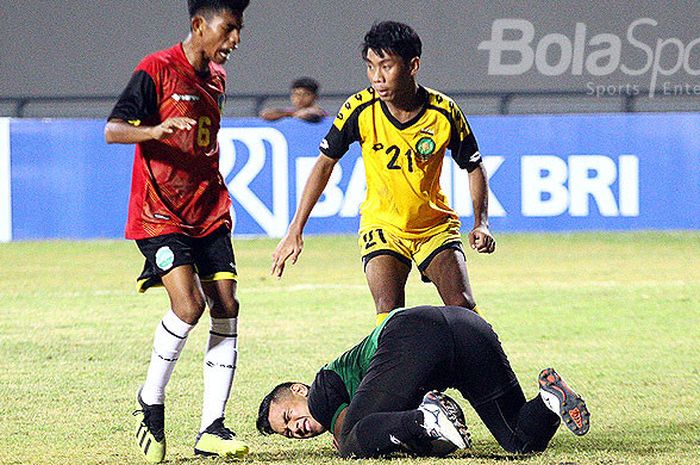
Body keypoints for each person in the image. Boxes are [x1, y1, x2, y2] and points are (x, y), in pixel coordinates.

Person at [271, 22, 495, 325]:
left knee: (463, 308)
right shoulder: (359, 109)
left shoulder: (444, 112)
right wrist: (295, 229)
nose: (377, 77)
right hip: (383, 225)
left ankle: (490, 372)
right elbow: (324, 164)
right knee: (389, 311)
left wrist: (481, 223)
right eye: (371, 66)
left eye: (386, 66)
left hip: (433, 226)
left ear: (412, 65)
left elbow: (474, 166)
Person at [104, 0, 250, 462]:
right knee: (189, 306)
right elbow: (112, 130)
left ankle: (212, 427)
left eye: (238, 30)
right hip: (159, 213)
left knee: (226, 304)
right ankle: (151, 398)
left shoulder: (218, 78)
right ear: (198, 25)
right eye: (228, 30)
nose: (235, 41)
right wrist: (155, 131)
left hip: (208, 211)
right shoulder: (156, 69)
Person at [257, 306, 590, 458]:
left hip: (415, 333)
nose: (296, 428)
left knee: (353, 444)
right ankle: (550, 400)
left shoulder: (322, 389)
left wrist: (345, 439)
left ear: (298, 391)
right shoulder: (378, 395)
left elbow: (350, 437)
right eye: (288, 433)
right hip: (468, 326)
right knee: (520, 440)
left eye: (288, 416)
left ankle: (427, 418)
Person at [260, 77, 328, 122]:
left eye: (306, 94)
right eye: (296, 94)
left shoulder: (319, 112)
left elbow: (313, 115)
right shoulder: (290, 111)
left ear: (315, 97)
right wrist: (291, 114)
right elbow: (265, 114)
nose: (300, 98)